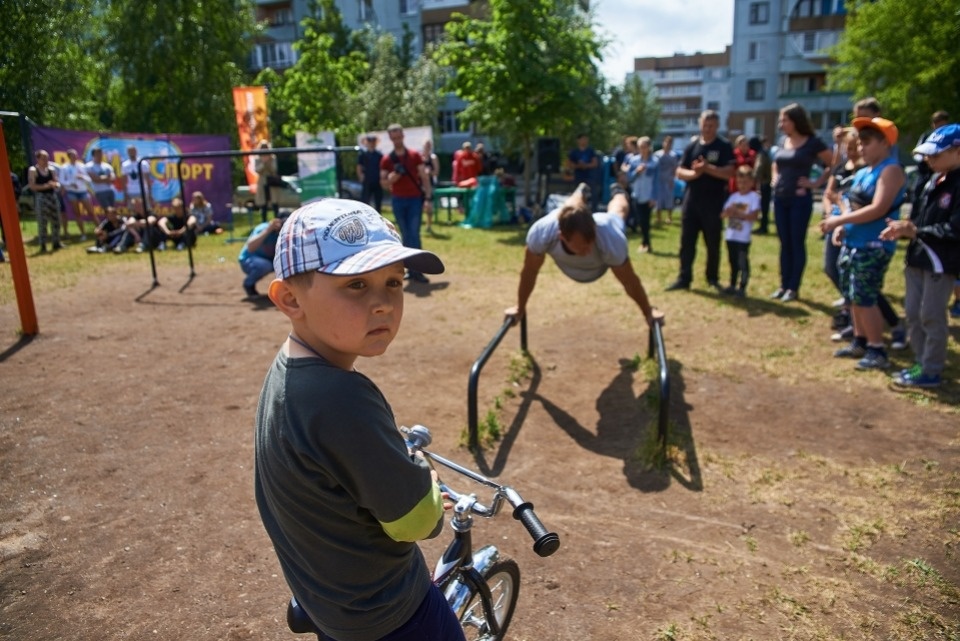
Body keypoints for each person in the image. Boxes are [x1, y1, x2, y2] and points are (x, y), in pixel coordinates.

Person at [254, 198, 461, 641]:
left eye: (394, 282)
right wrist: (427, 480)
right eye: (356, 285)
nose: (383, 303)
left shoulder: (290, 370)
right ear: (290, 299)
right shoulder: (342, 397)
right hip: (390, 615)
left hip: (329, 600)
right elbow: (416, 522)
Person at [505, 182, 663, 330]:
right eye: (581, 246)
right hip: (563, 221)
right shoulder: (542, 234)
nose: (587, 250)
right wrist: (520, 307)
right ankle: (580, 192)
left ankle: (619, 193)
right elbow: (529, 271)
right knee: (569, 209)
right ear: (562, 237)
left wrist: (648, 311)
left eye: (590, 243)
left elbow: (629, 281)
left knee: (618, 212)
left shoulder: (609, 236)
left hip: (604, 233)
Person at [820, 117, 905, 371]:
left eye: (867, 142)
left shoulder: (891, 170)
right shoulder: (863, 172)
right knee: (853, 297)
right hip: (854, 243)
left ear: (885, 143)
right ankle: (860, 340)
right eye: (859, 143)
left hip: (873, 246)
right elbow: (850, 204)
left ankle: (877, 349)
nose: (861, 148)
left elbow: (877, 208)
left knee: (866, 299)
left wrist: (839, 221)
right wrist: (842, 225)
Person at [880, 123, 960, 389]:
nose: (928, 159)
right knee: (913, 313)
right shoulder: (931, 180)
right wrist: (903, 229)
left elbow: (954, 229)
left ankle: (931, 370)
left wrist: (916, 231)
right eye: (927, 154)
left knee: (931, 316)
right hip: (916, 258)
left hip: (940, 262)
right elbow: (918, 219)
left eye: (936, 154)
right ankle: (920, 362)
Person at [769, 103, 833, 302]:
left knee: (796, 242)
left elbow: (833, 163)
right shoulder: (783, 141)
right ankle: (783, 285)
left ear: (796, 121)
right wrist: (774, 177)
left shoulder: (812, 142)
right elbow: (775, 163)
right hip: (780, 198)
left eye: (784, 120)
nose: (781, 124)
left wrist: (815, 183)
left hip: (799, 200)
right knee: (784, 243)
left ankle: (793, 287)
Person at [665, 110, 735, 292]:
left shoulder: (724, 146)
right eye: (705, 125)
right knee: (687, 242)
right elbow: (680, 171)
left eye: (711, 125)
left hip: (713, 202)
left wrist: (707, 168)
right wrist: (695, 173)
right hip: (691, 201)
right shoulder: (692, 146)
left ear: (717, 126)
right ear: (699, 124)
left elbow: (729, 172)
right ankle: (684, 278)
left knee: (712, 242)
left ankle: (712, 277)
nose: (707, 129)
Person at [380, 123, 433, 284]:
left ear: (403, 136)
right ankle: (410, 269)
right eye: (394, 138)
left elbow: (424, 177)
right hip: (398, 200)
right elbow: (383, 183)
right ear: (390, 139)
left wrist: (428, 198)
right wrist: (393, 178)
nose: (397, 140)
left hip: (414, 199)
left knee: (414, 234)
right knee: (404, 235)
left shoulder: (414, 155)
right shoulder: (387, 159)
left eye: (398, 137)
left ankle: (418, 270)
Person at [720, 166, 761, 297]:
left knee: (742, 263)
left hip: (743, 237)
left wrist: (738, 213)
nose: (742, 185)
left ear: (752, 183)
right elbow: (723, 214)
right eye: (740, 182)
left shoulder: (754, 197)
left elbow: (754, 216)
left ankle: (742, 287)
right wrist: (728, 212)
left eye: (745, 182)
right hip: (731, 235)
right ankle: (732, 284)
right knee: (732, 262)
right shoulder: (733, 197)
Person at [238, 210, 287, 298]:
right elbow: (250, 247)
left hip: (269, 260)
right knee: (265, 265)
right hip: (249, 260)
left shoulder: (287, 233)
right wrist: (268, 230)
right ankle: (249, 284)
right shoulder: (263, 228)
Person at [623, 136, 659, 252]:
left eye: (644, 147)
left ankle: (646, 243)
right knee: (640, 220)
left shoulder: (655, 162)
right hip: (636, 194)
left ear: (649, 147)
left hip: (648, 195)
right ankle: (645, 243)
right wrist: (636, 172)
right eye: (640, 147)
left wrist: (654, 197)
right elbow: (629, 178)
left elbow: (656, 181)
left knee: (646, 220)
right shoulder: (634, 161)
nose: (642, 149)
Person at [28, 150, 64, 254]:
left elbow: (56, 182)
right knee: (42, 221)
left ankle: (56, 242)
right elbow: (32, 186)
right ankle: (43, 244)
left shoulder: (51, 169)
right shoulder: (33, 170)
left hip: (52, 196)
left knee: (56, 219)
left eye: (47, 158)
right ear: (38, 159)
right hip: (41, 197)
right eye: (43, 158)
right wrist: (47, 186)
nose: (46, 160)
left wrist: (55, 185)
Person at [912, 110, 950, 203]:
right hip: (925, 173)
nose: (938, 126)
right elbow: (916, 153)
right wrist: (926, 158)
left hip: (943, 172)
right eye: (936, 123)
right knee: (918, 193)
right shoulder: (927, 136)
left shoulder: (950, 136)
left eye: (941, 124)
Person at [59, 148, 96, 240]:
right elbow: (61, 181)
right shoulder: (64, 167)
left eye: (76, 155)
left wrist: (82, 177)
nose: (75, 157)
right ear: (69, 157)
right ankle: (83, 234)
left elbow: (89, 179)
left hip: (83, 191)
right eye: (73, 155)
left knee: (91, 212)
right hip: (72, 192)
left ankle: (101, 230)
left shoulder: (82, 166)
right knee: (77, 213)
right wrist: (71, 183)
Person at [568, 133, 600, 211]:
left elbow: (595, 163)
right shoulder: (574, 152)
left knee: (592, 194)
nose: (585, 141)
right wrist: (578, 166)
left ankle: (594, 210)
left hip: (590, 176)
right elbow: (569, 164)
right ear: (578, 140)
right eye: (583, 139)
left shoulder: (591, 151)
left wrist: (586, 165)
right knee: (578, 193)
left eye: (586, 139)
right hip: (578, 176)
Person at [653, 135, 679, 226]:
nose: (668, 144)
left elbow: (675, 168)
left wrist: (673, 179)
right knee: (658, 200)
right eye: (666, 142)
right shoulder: (657, 154)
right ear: (663, 143)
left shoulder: (673, 155)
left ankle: (669, 217)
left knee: (669, 199)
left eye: (670, 143)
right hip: (658, 180)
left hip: (668, 180)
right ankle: (658, 218)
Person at [357, 134, 384, 212]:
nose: (371, 143)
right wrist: (360, 176)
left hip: (377, 180)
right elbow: (359, 166)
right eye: (370, 141)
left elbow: (382, 167)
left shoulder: (379, 154)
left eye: (373, 142)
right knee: (365, 202)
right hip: (367, 181)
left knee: (378, 202)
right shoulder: (363, 154)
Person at [121, 145, 150, 218]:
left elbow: (147, 179)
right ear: (128, 152)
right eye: (130, 151)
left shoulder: (143, 163)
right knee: (132, 211)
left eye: (133, 151)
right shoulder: (125, 165)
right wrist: (125, 193)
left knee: (145, 209)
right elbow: (124, 181)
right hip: (131, 191)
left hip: (143, 191)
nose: (132, 153)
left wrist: (149, 193)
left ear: (136, 151)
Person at [751, 136, 772, 234]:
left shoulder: (761, 154)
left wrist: (753, 179)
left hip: (764, 183)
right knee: (765, 207)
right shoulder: (764, 152)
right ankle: (764, 226)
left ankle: (763, 227)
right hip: (767, 182)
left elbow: (759, 168)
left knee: (764, 207)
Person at [85, 147, 117, 213]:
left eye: (101, 153)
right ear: (93, 155)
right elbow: (95, 179)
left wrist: (100, 178)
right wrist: (107, 178)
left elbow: (113, 178)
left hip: (110, 190)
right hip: (100, 191)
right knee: (108, 210)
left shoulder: (107, 166)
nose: (100, 155)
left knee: (112, 210)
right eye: (97, 154)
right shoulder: (89, 166)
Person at [255, 140, 279, 223]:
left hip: (272, 182)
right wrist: (263, 163)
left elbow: (274, 169)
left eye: (266, 147)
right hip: (262, 182)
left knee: (275, 202)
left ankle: (277, 221)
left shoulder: (273, 158)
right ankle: (264, 222)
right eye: (262, 148)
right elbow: (257, 170)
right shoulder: (258, 158)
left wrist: (268, 162)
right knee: (263, 203)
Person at [421, 139, 440, 232]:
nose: (427, 148)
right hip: (420, 185)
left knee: (429, 206)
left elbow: (436, 172)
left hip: (430, 184)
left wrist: (429, 172)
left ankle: (429, 225)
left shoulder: (433, 158)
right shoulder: (420, 157)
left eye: (429, 146)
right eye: (426, 146)